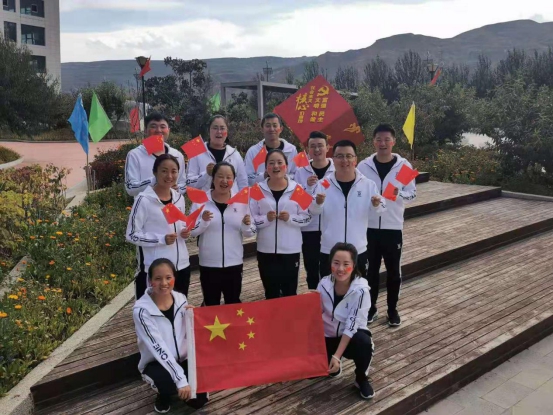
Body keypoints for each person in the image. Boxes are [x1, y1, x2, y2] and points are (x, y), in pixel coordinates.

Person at [358, 124, 417, 327]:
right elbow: (358, 191)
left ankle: (392, 310)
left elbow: (412, 194)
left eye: (386, 140)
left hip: (393, 228)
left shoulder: (404, 166)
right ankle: (371, 309)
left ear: (393, 142)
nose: (382, 143)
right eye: (378, 140)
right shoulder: (363, 166)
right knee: (370, 272)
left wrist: (398, 193)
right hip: (369, 228)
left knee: (393, 272)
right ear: (373, 142)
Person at [133, 258, 208, 413]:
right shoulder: (141, 311)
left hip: (183, 358)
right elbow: (157, 347)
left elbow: (187, 332)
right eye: (158, 278)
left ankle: (179, 383)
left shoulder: (181, 299)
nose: (164, 283)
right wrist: (181, 380)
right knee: (168, 384)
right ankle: (163, 394)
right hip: (156, 361)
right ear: (150, 281)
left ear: (174, 278)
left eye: (168, 278)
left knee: (199, 401)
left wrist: (193, 317)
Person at [311, 140, 386, 280]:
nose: (344, 160)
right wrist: (318, 203)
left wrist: (376, 205)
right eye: (339, 156)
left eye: (348, 156)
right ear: (333, 160)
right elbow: (313, 211)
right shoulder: (323, 184)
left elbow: (381, 209)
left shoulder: (368, 185)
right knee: (328, 290)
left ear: (355, 159)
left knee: (358, 289)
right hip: (330, 250)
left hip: (358, 249)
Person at [190, 162, 256, 306]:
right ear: (213, 178)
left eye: (229, 177)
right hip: (209, 264)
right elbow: (192, 231)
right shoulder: (200, 201)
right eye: (220, 176)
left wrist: (246, 225)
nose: (224, 181)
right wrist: (204, 221)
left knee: (233, 304)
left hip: (234, 263)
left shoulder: (241, 201)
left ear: (234, 180)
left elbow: (250, 232)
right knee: (211, 304)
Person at [126, 154, 191, 299]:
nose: (169, 176)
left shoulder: (179, 198)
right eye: (164, 171)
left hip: (181, 266)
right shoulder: (143, 200)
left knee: (179, 308)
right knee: (154, 311)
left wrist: (184, 232)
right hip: (156, 271)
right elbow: (131, 234)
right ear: (155, 173)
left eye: (174, 171)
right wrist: (161, 239)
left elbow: (180, 224)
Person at [250, 149, 312, 299]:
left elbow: (307, 217)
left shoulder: (297, 188)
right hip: (266, 250)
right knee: (270, 292)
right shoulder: (257, 189)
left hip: (291, 250)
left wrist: (290, 218)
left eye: (279, 162)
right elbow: (251, 218)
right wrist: (266, 219)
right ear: (266, 167)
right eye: (271, 163)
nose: (276, 166)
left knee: (290, 292)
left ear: (286, 166)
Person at [318, 243, 375, 400]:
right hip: (328, 335)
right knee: (312, 373)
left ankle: (361, 378)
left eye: (346, 264)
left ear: (354, 265)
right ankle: (334, 366)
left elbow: (351, 326)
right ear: (330, 263)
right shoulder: (323, 284)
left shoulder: (361, 290)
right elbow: (317, 313)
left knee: (364, 343)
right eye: (336, 263)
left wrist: (337, 356)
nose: (340, 269)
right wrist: (309, 300)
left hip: (350, 338)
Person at [294, 131, 335, 290]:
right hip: (309, 228)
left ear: (327, 147)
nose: (317, 150)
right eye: (313, 146)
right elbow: (298, 202)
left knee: (329, 266)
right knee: (311, 267)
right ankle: (313, 297)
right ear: (307, 149)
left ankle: (330, 297)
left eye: (320, 146)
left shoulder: (336, 170)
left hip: (330, 226)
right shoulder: (300, 172)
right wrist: (308, 187)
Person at [125, 113, 186, 197]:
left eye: (163, 127)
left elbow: (183, 183)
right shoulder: (135, 155)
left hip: (171, 204)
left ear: (168, 130)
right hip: (146, 204)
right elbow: (130, 188)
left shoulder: (177, 155)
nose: (158, 130)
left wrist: (178, 189)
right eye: (153, 126)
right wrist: (155, 181)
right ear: (145, 130)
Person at [186, 115, 248, 192]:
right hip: (205, 199)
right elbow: (189, 183)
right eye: (215, 128)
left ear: (227, 132)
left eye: (222, 128)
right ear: (209, 130)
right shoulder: (196, 151)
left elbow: (243, 183)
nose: (219, 132)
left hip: (231, 199)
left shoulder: (235, 154)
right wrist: (206, 174)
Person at [244, 112, 298, 185]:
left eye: (275, 125)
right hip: (260, 191)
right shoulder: (253, 152)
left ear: (281, 129)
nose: (272, 129)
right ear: (262, 129)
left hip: (286, 190)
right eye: (268, 126)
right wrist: (263, 176)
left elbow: (297, 174)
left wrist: (283, 177)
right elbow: (247, 177)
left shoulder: (291, 150)